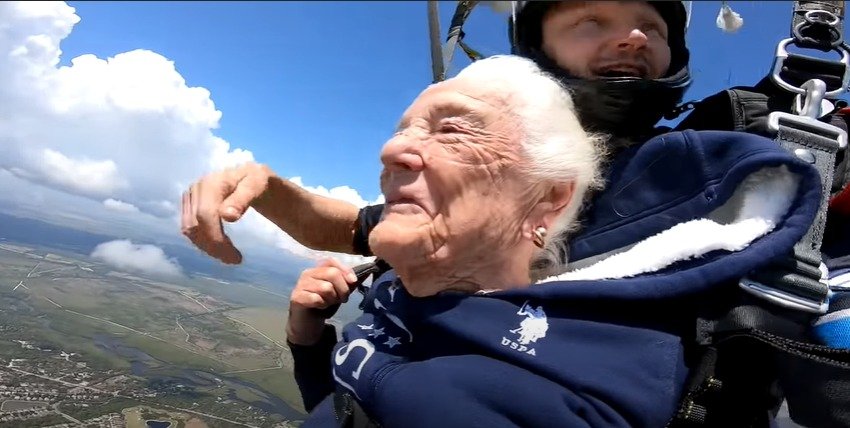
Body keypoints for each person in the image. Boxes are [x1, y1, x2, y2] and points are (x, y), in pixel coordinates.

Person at [179, 1, 850, 425]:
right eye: (593, 20)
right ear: (540, 49)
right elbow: (358, 228)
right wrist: (267, 190)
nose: (632, 37)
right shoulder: (480, 192)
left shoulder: (713, 179)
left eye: (652, 25)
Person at [284, 55, 823, 427]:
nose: (392, 150)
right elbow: (341, 407)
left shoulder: (584, 373)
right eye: (404, 128)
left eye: (453, 130)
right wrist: (308, 343)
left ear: (549, 199)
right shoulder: (395, 292)